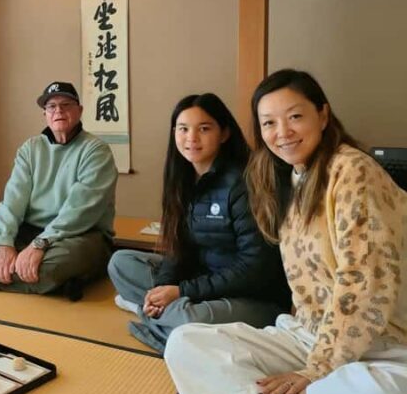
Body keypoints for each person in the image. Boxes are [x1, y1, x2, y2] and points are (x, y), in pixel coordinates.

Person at [164, 69, 407, 394]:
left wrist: (315, 371)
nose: (282, 132)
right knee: (184, 343)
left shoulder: (352, 169)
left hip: (379, 341)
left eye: (295, 117)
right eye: (269, 123)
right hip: (307, 333)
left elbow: (364, 282)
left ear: (322, 115)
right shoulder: (287, 176)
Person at [108, 93, 290, 352]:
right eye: (183, 129)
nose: (191, 138)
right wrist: (163, 288)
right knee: (120, 263)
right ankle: (160, 315)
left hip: (253, 298)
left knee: (190, 319)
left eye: (204, 129)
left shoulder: (245, 182)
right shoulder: (183, 179)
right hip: (202, 284)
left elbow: (255, 269)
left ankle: (152, 316)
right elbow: (177, 249)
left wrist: (182, 291)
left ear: (224, 133)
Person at [0, 82, 117, 301]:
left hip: (78, 235)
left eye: (66, 105)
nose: (58, 111)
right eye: (51, 107)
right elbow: (13, 199)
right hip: (30, 232)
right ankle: (54, 278)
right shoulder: (31, 148)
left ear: (79, 111)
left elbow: (80, 211)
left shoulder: (96, 150)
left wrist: (40, 245)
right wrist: (4, 243)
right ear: (45, 114)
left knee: (65, 259)